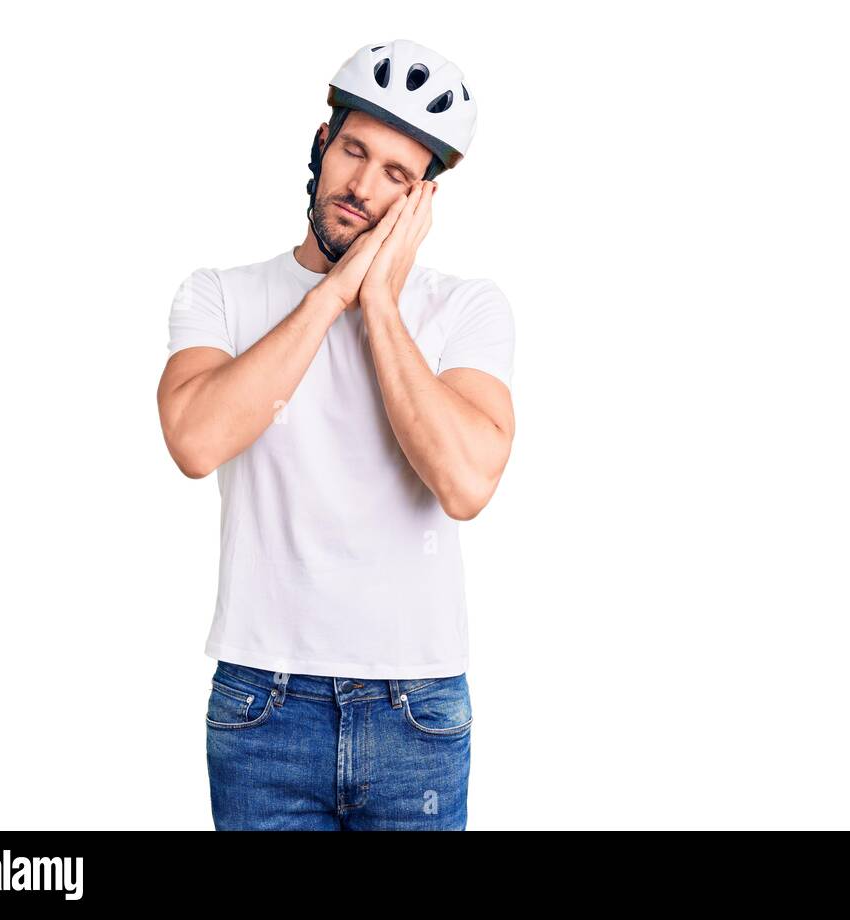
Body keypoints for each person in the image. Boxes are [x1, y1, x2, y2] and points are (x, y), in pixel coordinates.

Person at [155, 39, 515, 830]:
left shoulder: (466, 309)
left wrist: (379, 304)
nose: (361, 185)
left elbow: (465, 484)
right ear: (323, 144)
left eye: (396, 174)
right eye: (354, 150)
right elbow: (195, 440)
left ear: (421, 200)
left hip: (416, 710)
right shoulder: (220, 295)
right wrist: (332, 294)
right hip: (262, 706)